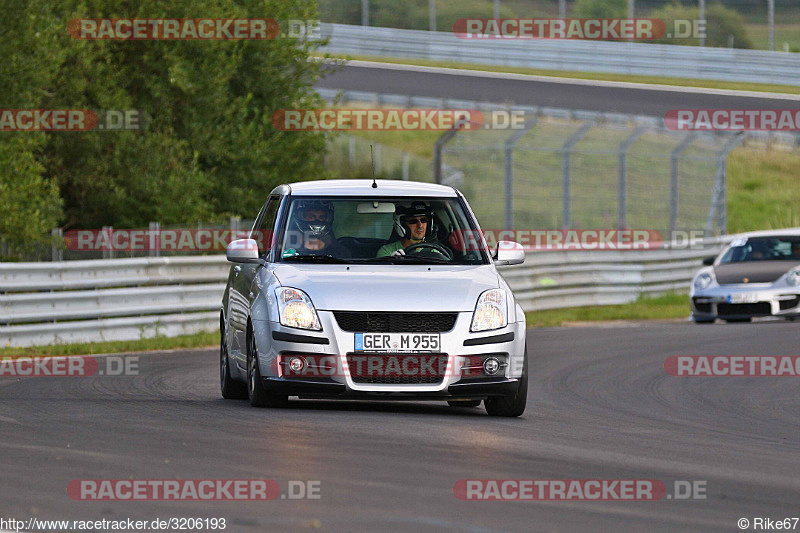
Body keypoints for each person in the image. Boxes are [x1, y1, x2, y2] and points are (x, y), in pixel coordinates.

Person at [282, 200, 350, 258]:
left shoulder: (339, 251)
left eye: (321, 217)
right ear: (300, 217)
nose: (317, 221)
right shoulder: (284, 247)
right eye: (311, 217)